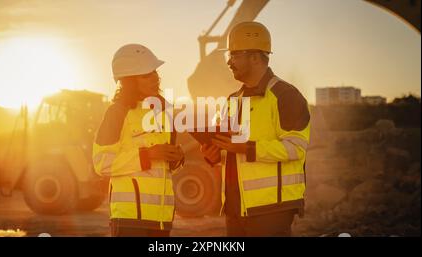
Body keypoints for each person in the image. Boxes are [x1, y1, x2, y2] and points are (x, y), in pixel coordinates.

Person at [201, 21, 311, 236]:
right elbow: (234, 154)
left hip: (272, 208)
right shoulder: (233, 100)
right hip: (235, 207)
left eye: (234, 55)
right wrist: (215, 154)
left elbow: (296, 149)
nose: (229, 62)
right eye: (229, 56)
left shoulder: (286, 96)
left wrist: (246, 148)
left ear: (254, 57)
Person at [93, 44, 184, 237]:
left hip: (161, 219)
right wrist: (148, 155)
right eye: (146, 75)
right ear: (129, 81)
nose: (154, 78)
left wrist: (176, 158)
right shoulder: (117, 113)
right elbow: (101, 163)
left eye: (154, 72)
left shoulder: (166, 112)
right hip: (129, 219)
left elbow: (166, 167)